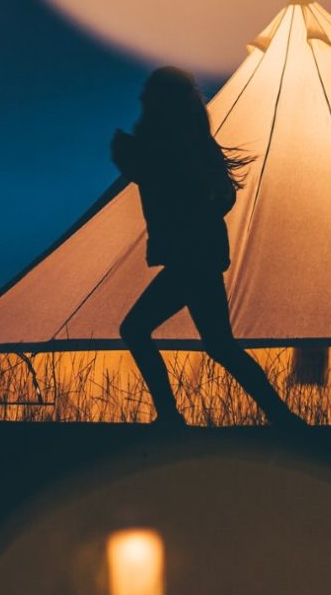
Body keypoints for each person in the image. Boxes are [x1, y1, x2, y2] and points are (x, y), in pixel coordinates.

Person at [111, 67, 303, 429]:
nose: (140, 98)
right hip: (203, 253)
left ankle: (170, 416)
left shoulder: (167, 143)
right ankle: (282, 417)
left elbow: (155, 176)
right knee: (219, 344)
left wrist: (125, 151)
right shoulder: (192, 140)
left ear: (158, 99)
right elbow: (221, 196)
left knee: (136, 330)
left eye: (148, 92)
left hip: (189, 257)